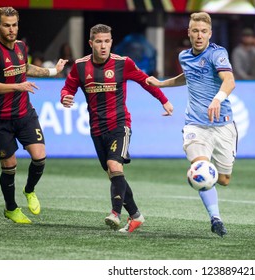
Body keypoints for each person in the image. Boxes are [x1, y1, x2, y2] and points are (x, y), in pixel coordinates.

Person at [60, 24, 173, 233]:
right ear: (91, 43)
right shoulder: (80, 66)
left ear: (111, 42)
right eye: (99, 41)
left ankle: (115, 213)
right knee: (114, 174)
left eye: (107, 41)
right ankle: (136, 216)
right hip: (96, 129)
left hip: (120, 125)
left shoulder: (123, 63)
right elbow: (69, 86)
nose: (104, 46)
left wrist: (164, 100)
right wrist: (65, 96)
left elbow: (145, 81)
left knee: (114, 165)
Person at [146, 12, 237, 237]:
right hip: (195, 124)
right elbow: (186, 76)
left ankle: (214, 196)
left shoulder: (217, 54)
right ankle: (216, 218)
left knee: (223, 180)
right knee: (200, 168)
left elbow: (229, 80)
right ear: (188, 32)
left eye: (203, 31)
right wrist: (162, 84)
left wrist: (217, 99)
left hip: (222, 123)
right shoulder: (184, 56)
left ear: (210, 34)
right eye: (195, 31)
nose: (199, 36)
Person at [0, 7, 68, 224]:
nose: (11, 29)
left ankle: (29, 190)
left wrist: (52, 72)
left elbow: (25, 68)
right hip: (0, 118)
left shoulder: (22, 46)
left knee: (40, 157)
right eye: (6, 25)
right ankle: (11, 208)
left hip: (25, 114)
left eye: (14, 25)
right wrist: (17, 86)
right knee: (9, 165)